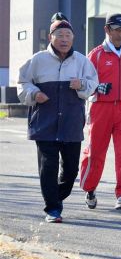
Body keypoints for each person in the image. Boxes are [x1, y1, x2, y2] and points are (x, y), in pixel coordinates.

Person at [18, 19, 98, 222]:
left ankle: (55, 197)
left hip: (71, 123)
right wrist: (34, 93)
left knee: (71, 171)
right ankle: (52, 209)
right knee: (48, 167)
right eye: (59, 35)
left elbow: (93, 84)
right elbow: (22, 83)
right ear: (50, 37)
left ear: (73, 38)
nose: (64, 39)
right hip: (44, 123)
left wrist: (81, 84)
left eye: (68, 36)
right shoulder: (38, 60)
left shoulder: (82, 61)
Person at [79, 13, 121, 210]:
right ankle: (89, 187)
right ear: (107, 29)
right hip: (101, 108)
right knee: (96, 151)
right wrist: (97, 88)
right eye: (117, 29)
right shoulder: (95, 54)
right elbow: (86, 82)